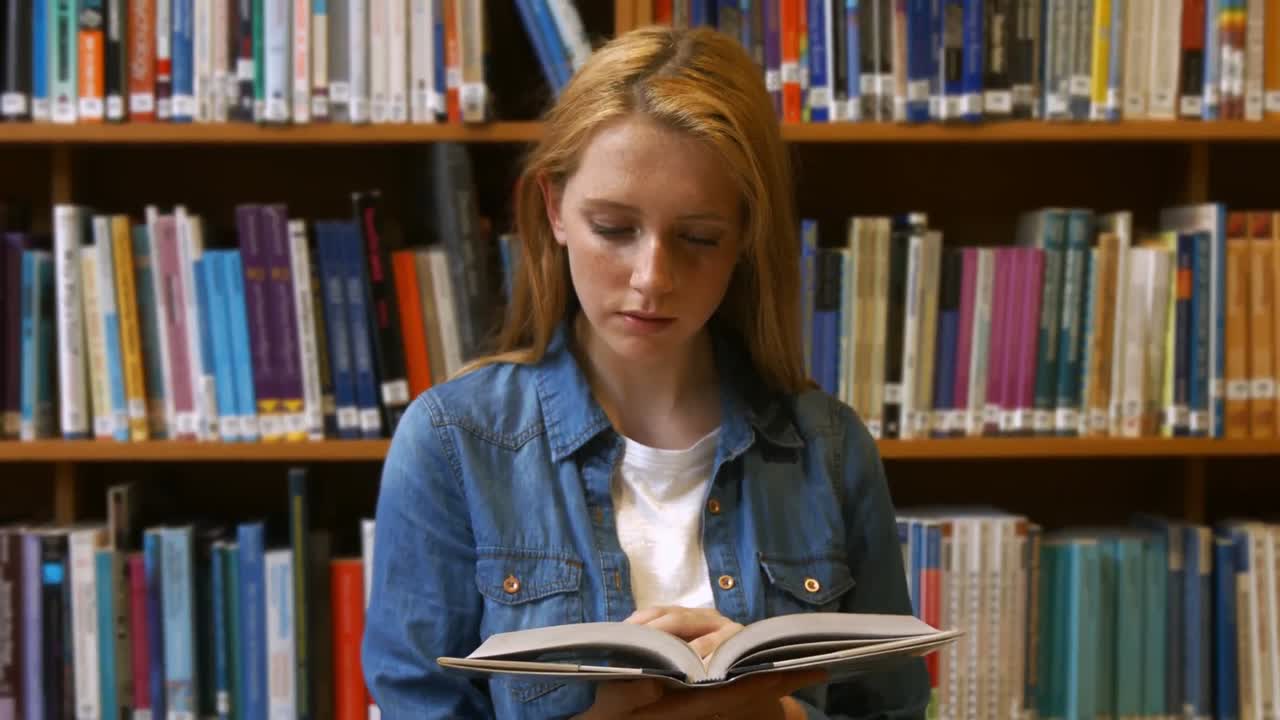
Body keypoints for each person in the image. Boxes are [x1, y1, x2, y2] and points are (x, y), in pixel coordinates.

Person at [361, 24, 930, 720]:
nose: (651, 279)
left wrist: (771, 713)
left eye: (698, 238)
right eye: (614, 228)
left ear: (745, 235)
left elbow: (893, 709)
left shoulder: (829, 449)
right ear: (554, 208)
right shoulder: (454, 443)